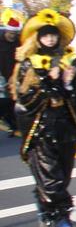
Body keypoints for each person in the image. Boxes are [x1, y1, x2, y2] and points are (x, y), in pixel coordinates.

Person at [11, 9, 76, 227]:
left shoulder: (72, 61)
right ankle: (62, 216)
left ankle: (44, 204)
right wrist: (49, 81)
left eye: (53, 35)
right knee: (51, 178)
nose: (50, 40)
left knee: (63, 175)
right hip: (41, 129)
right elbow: (24, 98)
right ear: (38, 38)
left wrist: (67, 85)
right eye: (45, 36)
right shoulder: (29, 64)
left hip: (67, 127)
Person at [0, 8, 26, 136]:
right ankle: (12, 124)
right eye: (10, 33)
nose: (12, 36)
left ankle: (16, 125)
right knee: (3, 103)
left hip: (16, 75)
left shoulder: (20, 42)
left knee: (15, 101)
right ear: (6, 30)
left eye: (14, 34)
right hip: (1, 76)